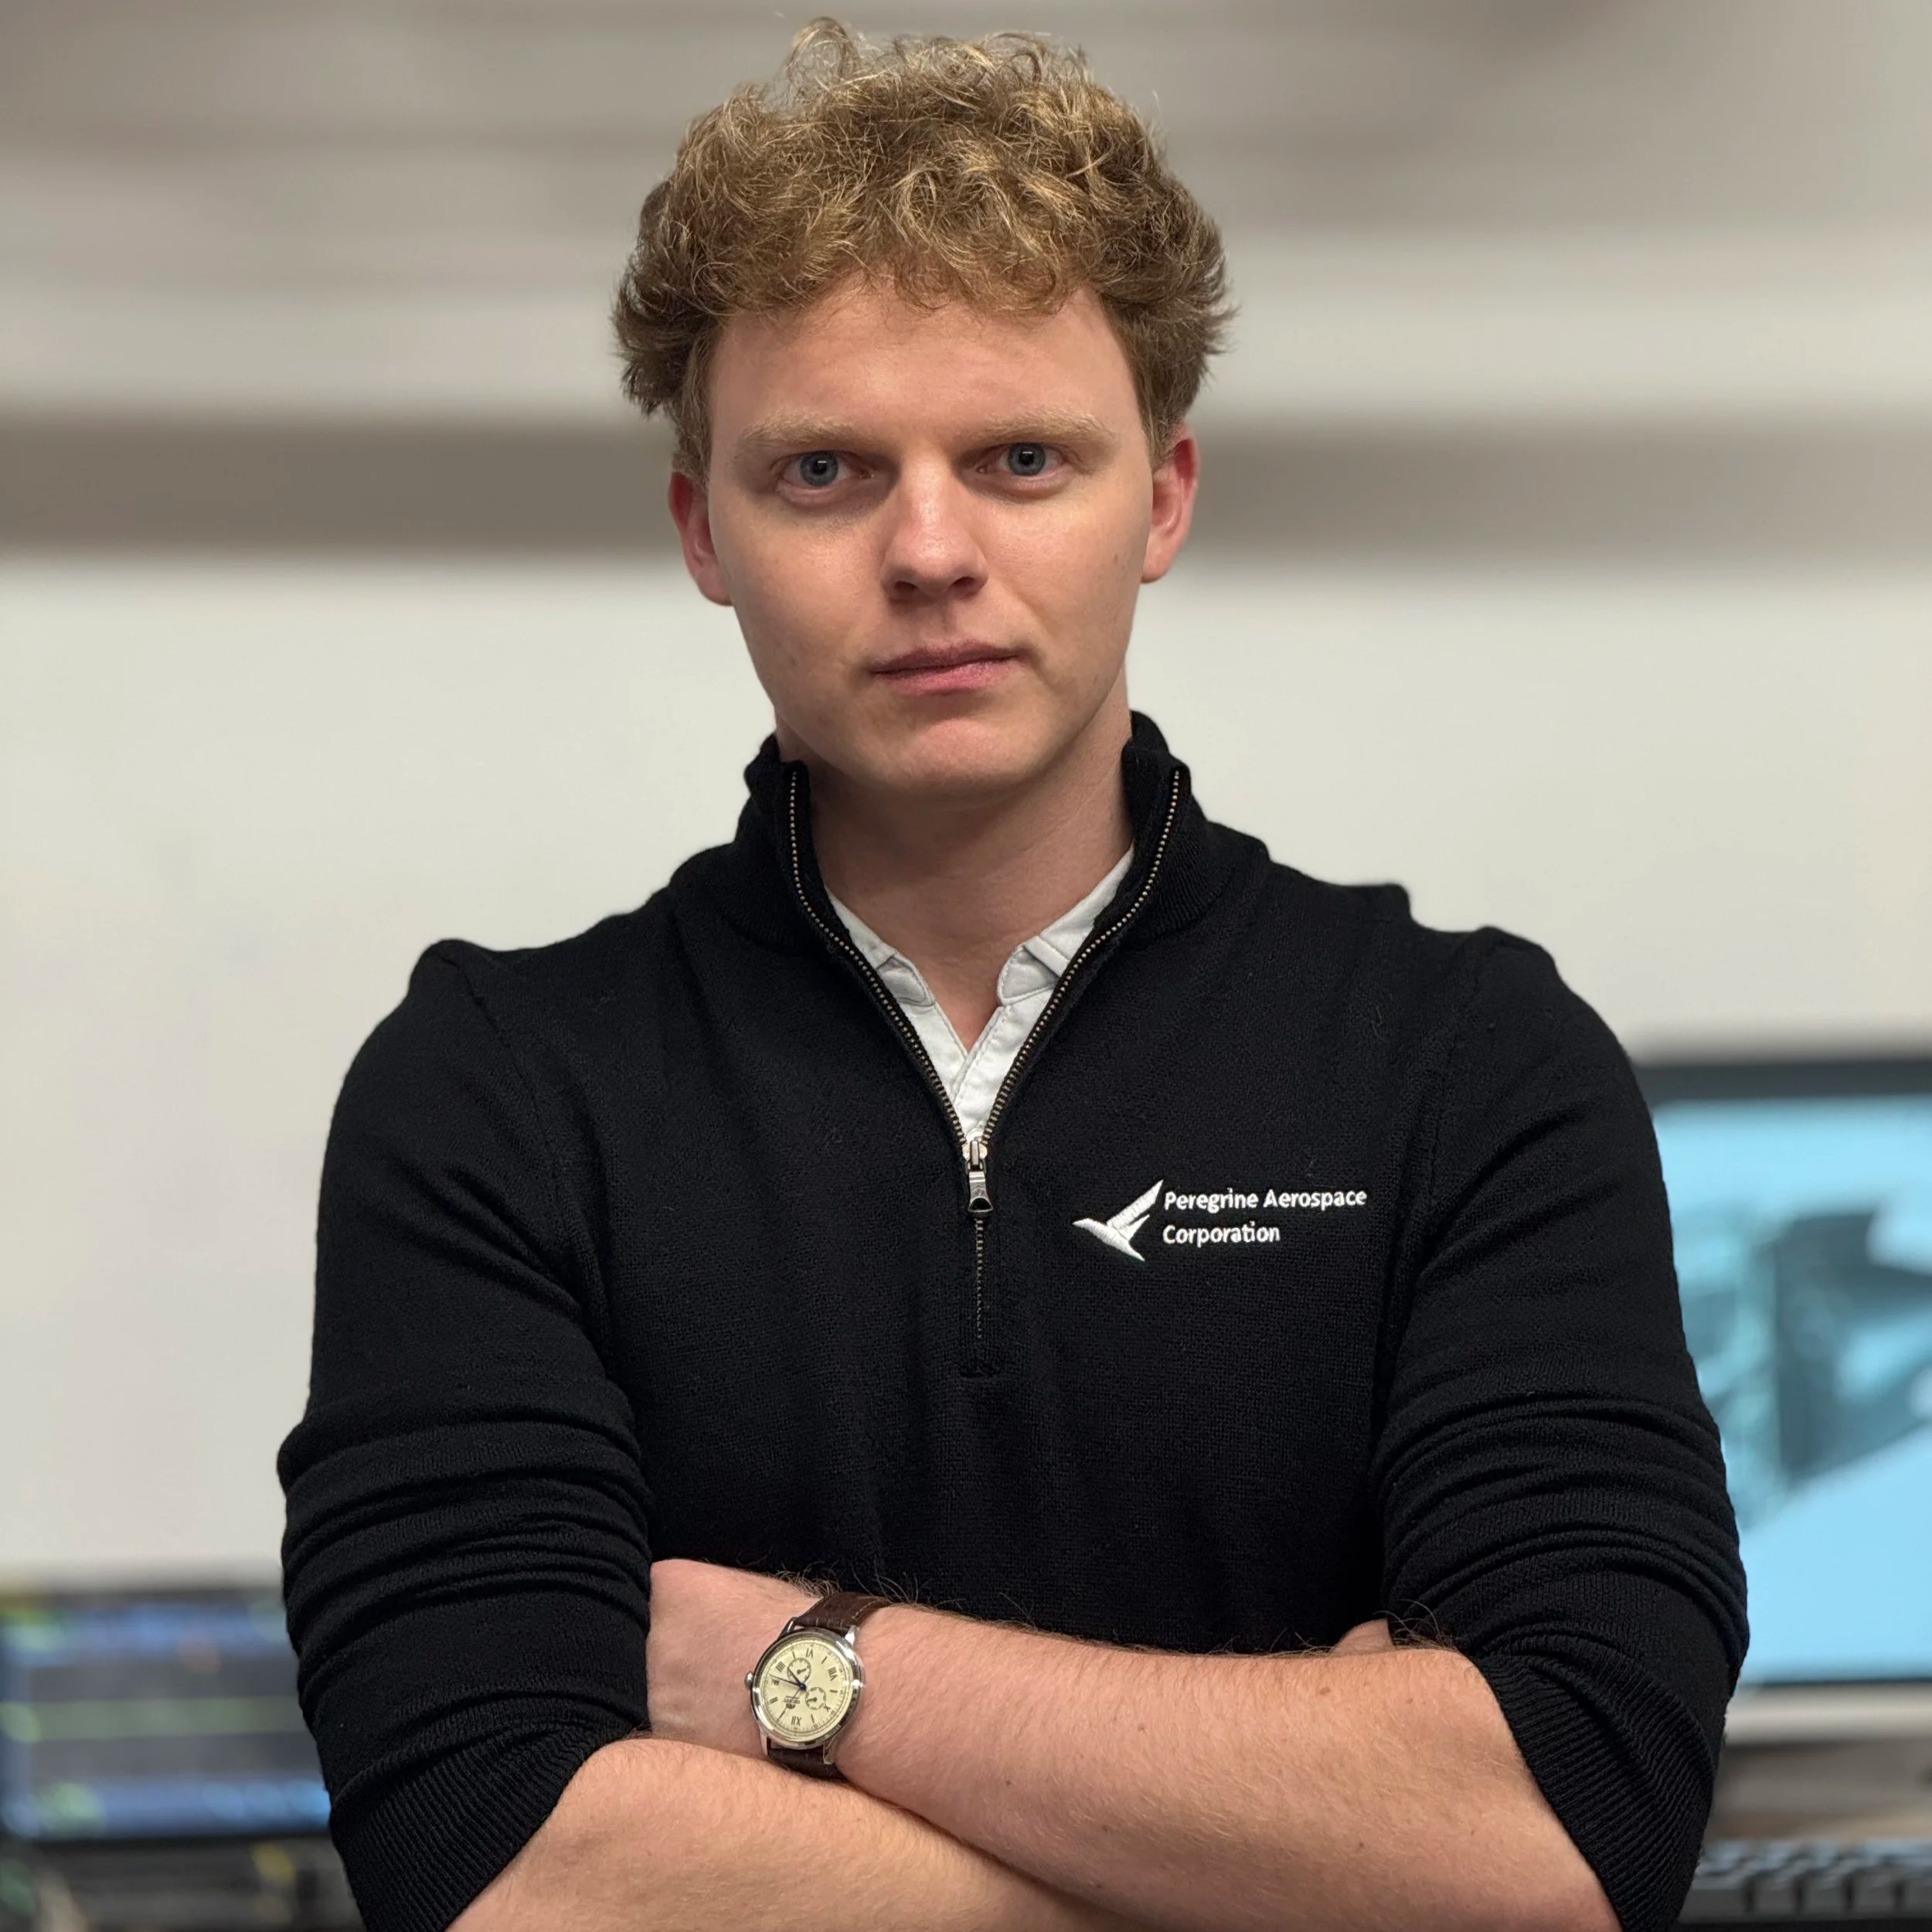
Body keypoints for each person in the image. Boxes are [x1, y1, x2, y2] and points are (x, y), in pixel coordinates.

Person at [277, 20, 1747, 1932]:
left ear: (1159, 497)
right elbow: (506, 1863)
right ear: (701, 530)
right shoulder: (495, 1088)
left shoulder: (1466, 1059)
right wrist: (1303, 1822)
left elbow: (1554, 1830)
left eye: (1020, 456)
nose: (929, 548)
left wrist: (798, 1668)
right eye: (820, 469)